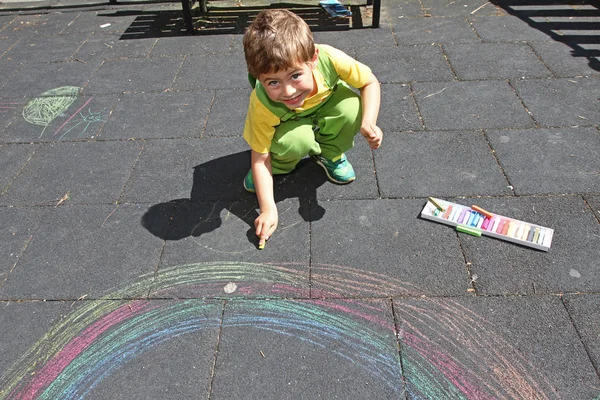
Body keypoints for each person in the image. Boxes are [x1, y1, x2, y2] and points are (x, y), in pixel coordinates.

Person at [242, 9, 383, 248]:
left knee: (350, 107)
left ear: (313, 58)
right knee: (296, 141)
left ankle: (329, 153)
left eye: (295, 76)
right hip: (288, 122)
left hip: (323, 108)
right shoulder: (262, 103)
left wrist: (368, 122)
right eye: (273, 82)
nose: (288, 91)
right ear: (258, 78)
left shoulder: (330, 58)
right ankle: (281, 165)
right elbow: (259, 157)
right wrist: (268, 209)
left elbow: (369, 82)